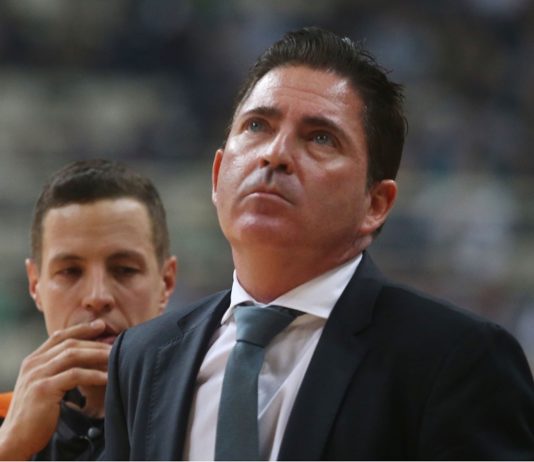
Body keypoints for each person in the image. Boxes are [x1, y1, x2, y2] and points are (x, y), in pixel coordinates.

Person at [103, 27, 534, 460]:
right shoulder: (142, 356)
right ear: (217, 176)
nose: (275, 154)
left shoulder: (457, 358)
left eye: (320, 137)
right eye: (257, 125)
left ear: (375, 204)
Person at [0, 159, 177, 460]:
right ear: (35, 285)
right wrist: (9, 447)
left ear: (166, 283)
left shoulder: (212, 411)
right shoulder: (6, 423)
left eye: (124, 269)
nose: (97, 297)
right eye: (70, 271)